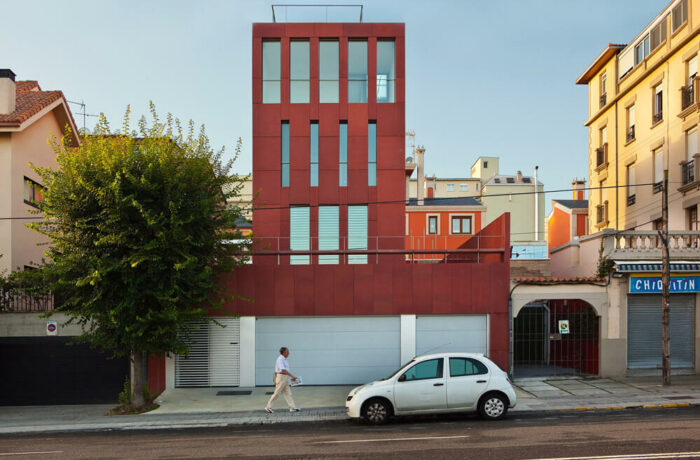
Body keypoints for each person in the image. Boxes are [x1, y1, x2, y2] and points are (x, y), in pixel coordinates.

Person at [264, 347, 300, 413]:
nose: (289, 353)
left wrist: (289, 376)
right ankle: (268, 407)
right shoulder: (280, 359)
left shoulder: (284, 359)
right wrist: (292, 376)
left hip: (285, 378)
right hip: (281, 378)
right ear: (284, 353)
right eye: (288, 352)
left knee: (288, 393)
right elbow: (283, 370)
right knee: (277, 393)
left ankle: (292, 407)